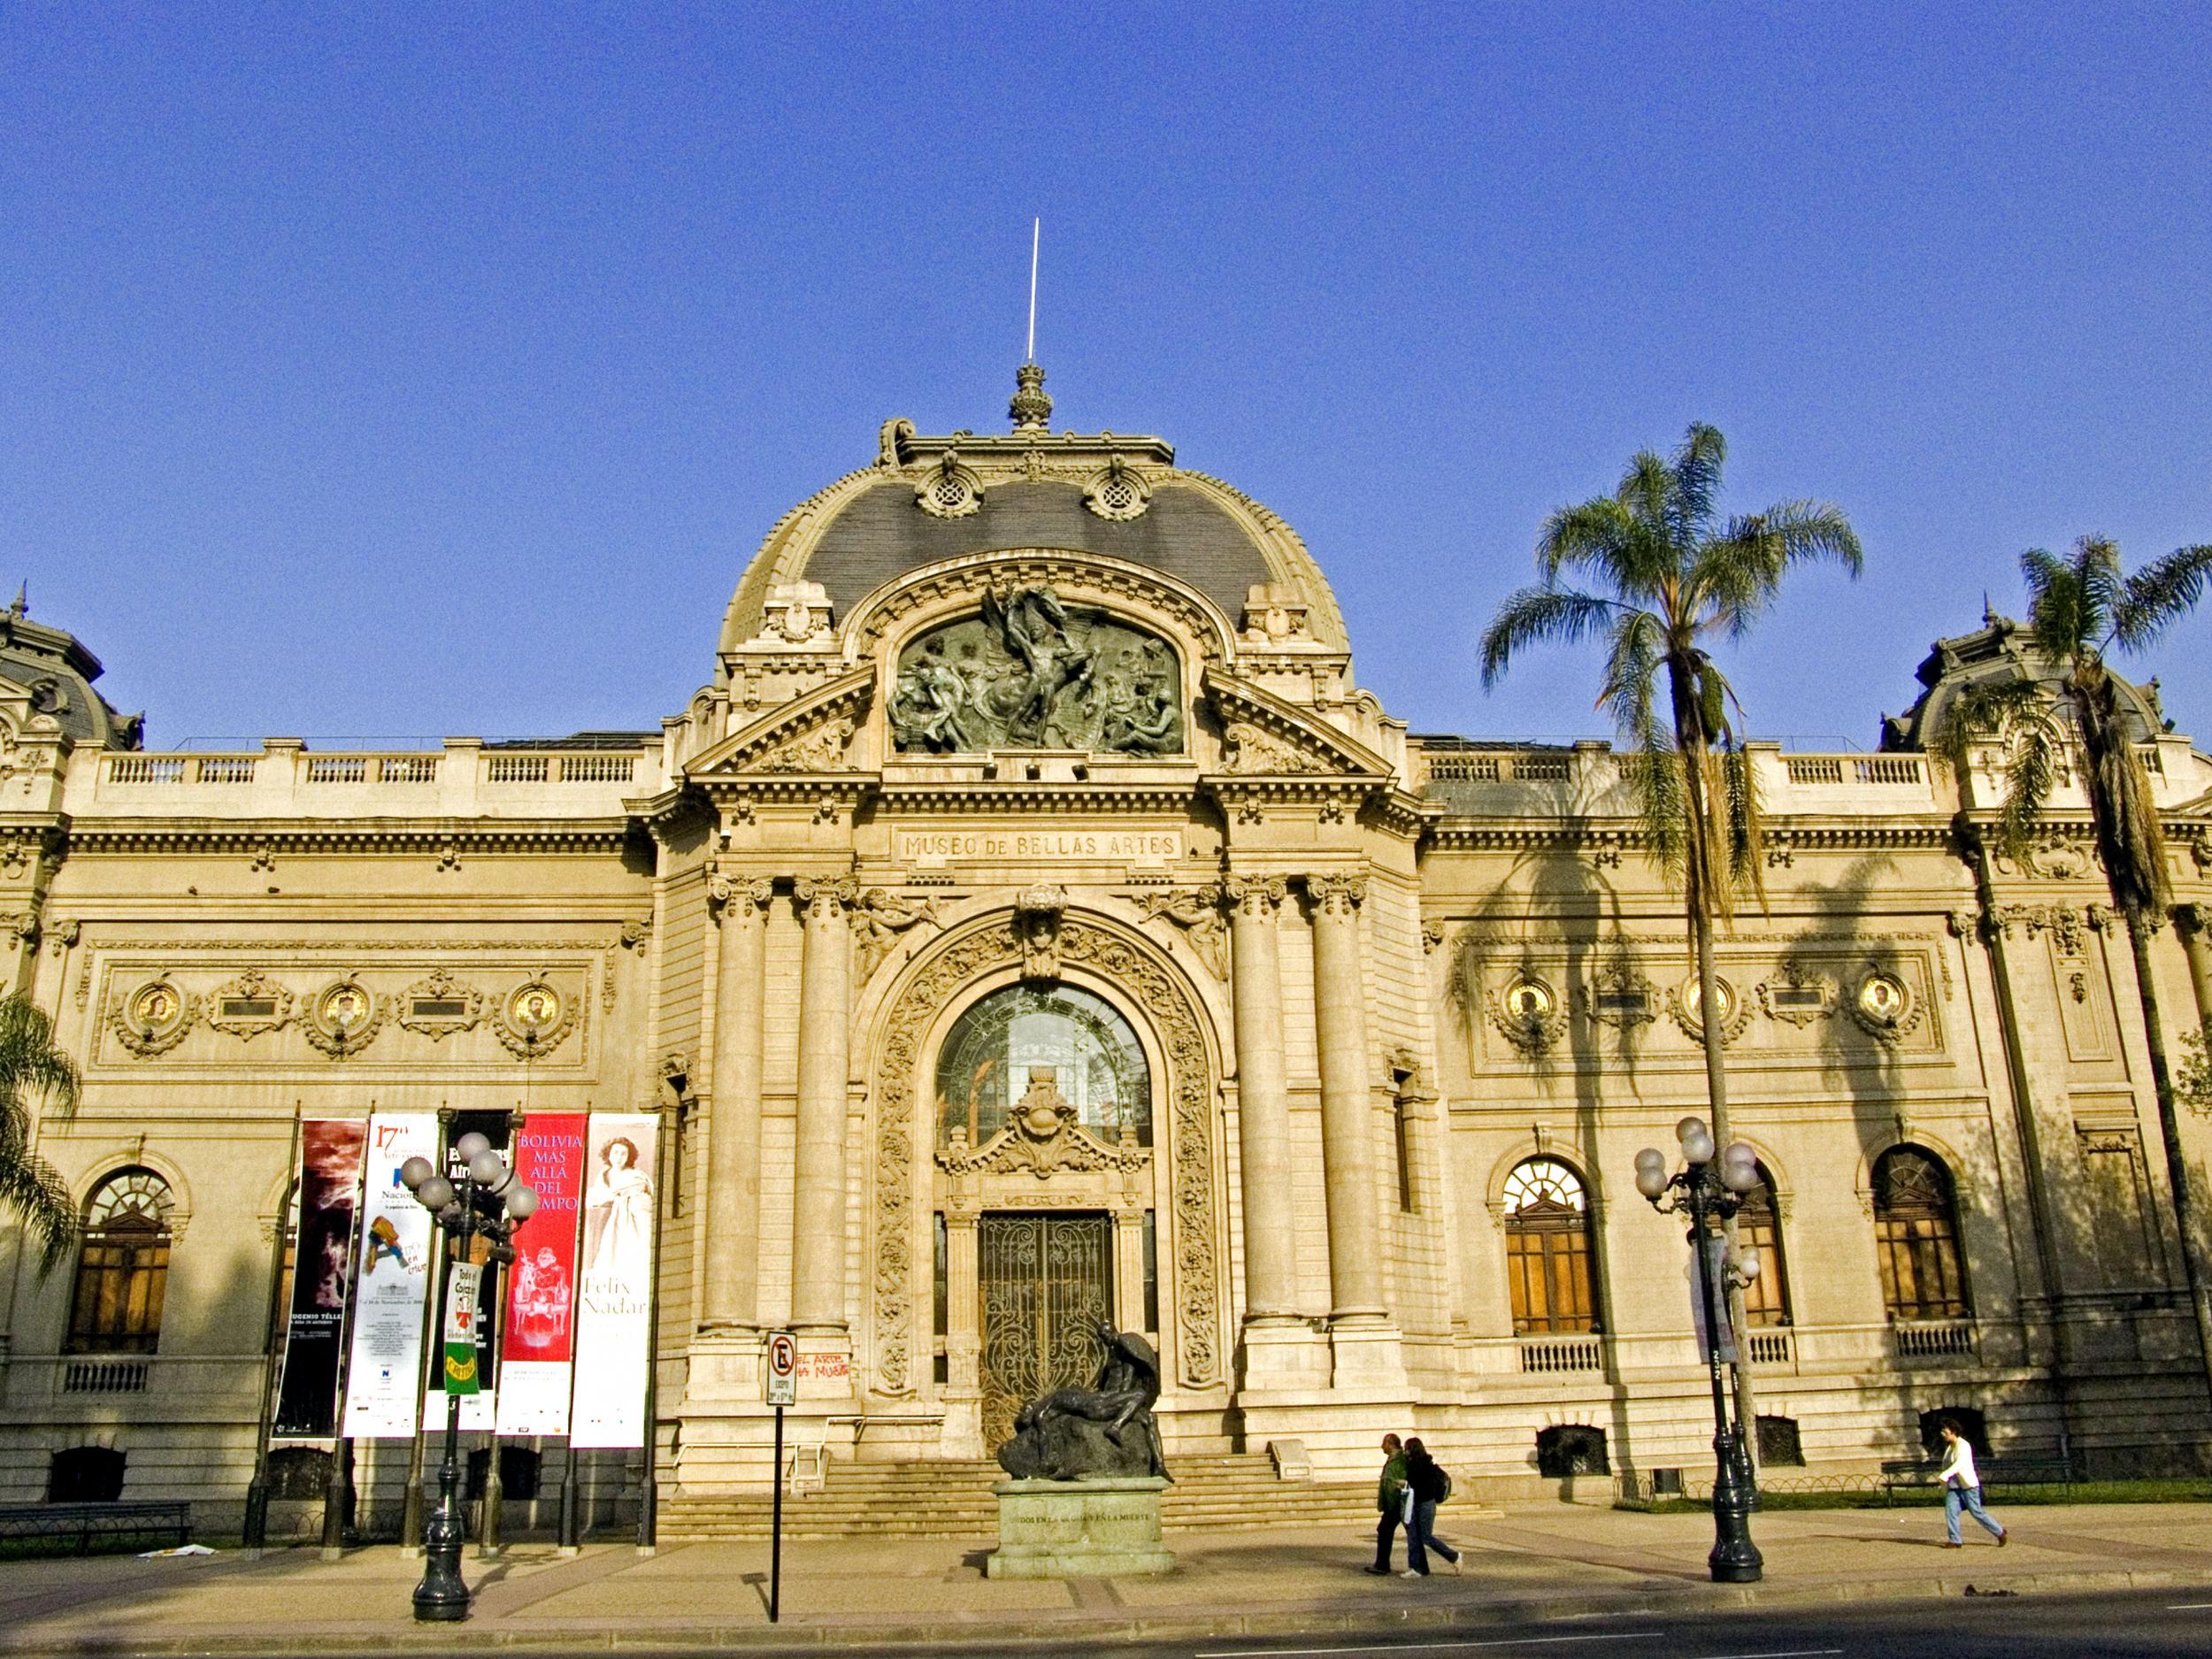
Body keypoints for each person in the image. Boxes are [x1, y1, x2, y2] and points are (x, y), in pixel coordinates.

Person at [1935, 1417, 2008, 1548]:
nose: (1942, 1433)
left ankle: (2000, 1532)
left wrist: (1945, 1475)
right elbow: (1946, 1465)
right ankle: (1955, 1540)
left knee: (1977, 1512)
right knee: (1951, 1511)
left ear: (1953, 1431)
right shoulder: (1949, 1448)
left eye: (1944, 1431)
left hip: (1968, 1487)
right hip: (1954, 1488)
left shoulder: (1963, 1446)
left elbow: (1959, 1464)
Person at [1401, 1436, 1463, 1577]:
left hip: (1425, 1504)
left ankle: (1454, 1557)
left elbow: (1418, 1485)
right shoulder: (1417, 1464)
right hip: (1417, 1503)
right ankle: (1417, 1568)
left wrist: (1402, 1483)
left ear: (1413, 1450)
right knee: (1413, 1536)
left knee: (1425, 1536)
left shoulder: (1422, 1465)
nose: (1405, 1452)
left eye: (1407, 1449)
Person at [1365, 1433, 1408, 1575]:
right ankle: (1382, 1564)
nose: (1382, 1446)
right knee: (1385, 1531)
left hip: (1397, 1503)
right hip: (1391, 1503)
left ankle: (1382, 1565)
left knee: (1384, 1531)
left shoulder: (1400, 1460)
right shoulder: (1392, 1459)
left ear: (1391, 1444)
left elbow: (1404, 1479)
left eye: (1384, 1443)